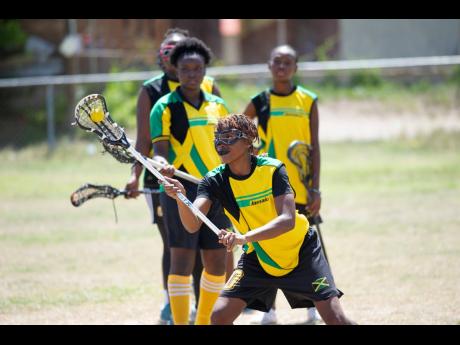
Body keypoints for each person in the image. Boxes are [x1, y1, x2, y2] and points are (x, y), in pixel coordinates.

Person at [162, 114, 356, 325]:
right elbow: (192, 225)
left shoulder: (273, 169)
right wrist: (181, 197)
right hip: (259, 257)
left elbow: (287, 220)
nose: (221, 143)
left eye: (229, 137)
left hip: (301, 252)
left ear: (248, 140)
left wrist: (243, 238)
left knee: (336, 319)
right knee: (219, 317)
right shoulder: (213, 181)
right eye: (218, 138)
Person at [124, 28, 232, 324]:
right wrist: (163, 166)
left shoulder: (218, 105)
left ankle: (204, 321)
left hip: (216, 189)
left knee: (215, 260)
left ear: (205, 70)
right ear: (176, 69)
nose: (191, 74)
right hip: (179, 190)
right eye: (185, 69)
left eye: (197, 69)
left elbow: (228, 149)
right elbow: (158, 149)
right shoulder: (164, 105)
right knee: (182, 258)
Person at [243, 44, 323, 325]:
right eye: (276, 61)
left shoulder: (308, 100)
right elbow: (240, 134)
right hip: (266, 189)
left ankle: (314, 305)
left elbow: (314, 147)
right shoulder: (260, 101)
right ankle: (269, 311)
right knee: (265, 248)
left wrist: (316, 188)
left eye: (287, 62)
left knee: (305, 249)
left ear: (296, 68)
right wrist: (251, 157)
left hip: (300, 188)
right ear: (269, 65)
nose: (281, 67)